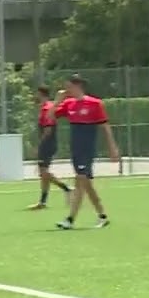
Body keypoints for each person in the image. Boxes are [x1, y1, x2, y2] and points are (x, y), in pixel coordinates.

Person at [54, 75, 119, 229]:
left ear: (78, 86)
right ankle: (102, 216)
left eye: (69, 87)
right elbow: (50, 115)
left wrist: (112, 147)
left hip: (87, 150)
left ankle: (70, 219)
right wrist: (57, 101)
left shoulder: (95, 104)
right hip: (75, 150)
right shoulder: (68, 103)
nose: (66, 90)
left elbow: (105, 127)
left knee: (80, 179)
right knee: (85, 183)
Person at [27, 85, 72, 211]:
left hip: (47, 144)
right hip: (48, 144)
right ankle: (42, 202)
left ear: (41, 94)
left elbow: (48, 130)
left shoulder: (47, 108)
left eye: (36, 94)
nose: (34, 96)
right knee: (43, 173)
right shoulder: (46, 107)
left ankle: (66, 188)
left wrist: (39, 146)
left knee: (43, 173)